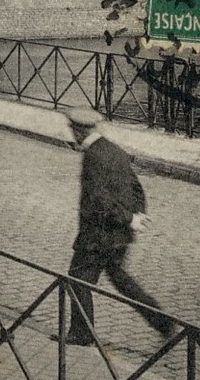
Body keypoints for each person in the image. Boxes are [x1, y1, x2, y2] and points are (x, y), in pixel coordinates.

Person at [62, 107, 177, 345]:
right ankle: (162, 322)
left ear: (80, 131)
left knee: (77, 279)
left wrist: (127, 218)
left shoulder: (93, 157)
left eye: (73, 129)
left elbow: (98, 200)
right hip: (120, 236)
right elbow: (136, 188)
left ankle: (82, 333)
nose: (72, 134)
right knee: (120, 279)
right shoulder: (115, 150)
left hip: (98, 235)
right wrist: (137, 215)